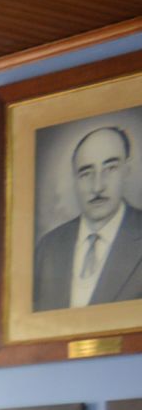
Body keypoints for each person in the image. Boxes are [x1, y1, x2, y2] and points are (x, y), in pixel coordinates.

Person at [32, 124, 142, 310]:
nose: (97, 186)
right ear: (75, 180)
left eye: (110, 168)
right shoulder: (48, 248)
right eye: (86, 173)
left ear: (127, 170)